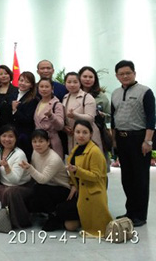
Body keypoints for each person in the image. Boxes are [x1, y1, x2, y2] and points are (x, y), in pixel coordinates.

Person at [111, 59, 155, 227]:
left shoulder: (145, 91)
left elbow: (151, 118)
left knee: (140, 178)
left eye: (128, 73)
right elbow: (113, 119)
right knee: (127, 178)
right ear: (117, 76)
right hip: (122, 139)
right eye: (121, 74)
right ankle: (130, 212)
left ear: (134, 73)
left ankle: (140, 215)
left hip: (139, 139)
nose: (125, 76)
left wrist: (148, 141)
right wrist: (114, 140)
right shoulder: (115, 93)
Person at [53, 120, 112, 236]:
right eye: (78, 132)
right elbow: (72, 172)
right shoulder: (76, 149)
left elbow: (96, 176)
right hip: (80, 190)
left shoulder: (95, 151)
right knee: (68, 222)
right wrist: (73, 184)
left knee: (67, 220)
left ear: (91, 134)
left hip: (91, 193)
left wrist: (78, 171)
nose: (81, 135)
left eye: (85, 132)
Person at [20, 129, 71, 231]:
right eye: (34, 141)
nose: (37, 144)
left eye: (41, 141)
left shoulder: (53, 159)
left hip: (62, 188)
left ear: (48, 142)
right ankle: (46, 213)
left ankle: (54, 216)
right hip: (47, 186)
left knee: (39, 189)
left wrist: (29, 168)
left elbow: (42, 179)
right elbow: (35, 173)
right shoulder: (35, 152)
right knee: (33, 195)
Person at [0, 125, 32, 228]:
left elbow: (15, 181)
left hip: (22, 186)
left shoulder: (19, 154)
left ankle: (15, 222)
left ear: (16, 138)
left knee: (10, 192)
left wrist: (6, 167)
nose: (7, 139)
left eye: (10, 136)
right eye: (4, 136)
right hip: (4, 184)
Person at [79, 66, 112, 161]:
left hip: (97, 133)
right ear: (79, 78)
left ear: (95, 79)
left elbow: (110, 116)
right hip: (78, 134)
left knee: (98, 162)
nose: (87, 79)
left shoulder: (101, 96)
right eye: (85, 76)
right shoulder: (73, 94)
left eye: (91, 77)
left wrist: (103, 115)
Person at [62, 72, 101, 153]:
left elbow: (90, 118)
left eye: (75, 82)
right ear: (65, 83)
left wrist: (75, 115)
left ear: (80, 83)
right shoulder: (65, 97)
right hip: (72, 136)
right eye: (69, 82)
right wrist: (65, 127)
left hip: (87, 135)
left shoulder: (87, 97)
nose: (72, 85)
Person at [34, 78, 65, 158]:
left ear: (52, 88)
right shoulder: (39, 102)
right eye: (41, 86)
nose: (44, 89)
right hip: (38, 141)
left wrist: (51, 116)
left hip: (51, 142)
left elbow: (60, 126)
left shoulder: (57, 104)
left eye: (47, 87)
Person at [12, 71, 39, 160]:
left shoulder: (33, 99)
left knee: (23, 159)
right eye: (21, 80)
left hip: (24, 135)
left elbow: (28, 119)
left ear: (31, 85)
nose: (23, 83)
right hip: (12, 132)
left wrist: (15, 110)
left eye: (27, 82)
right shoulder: (13, 94)